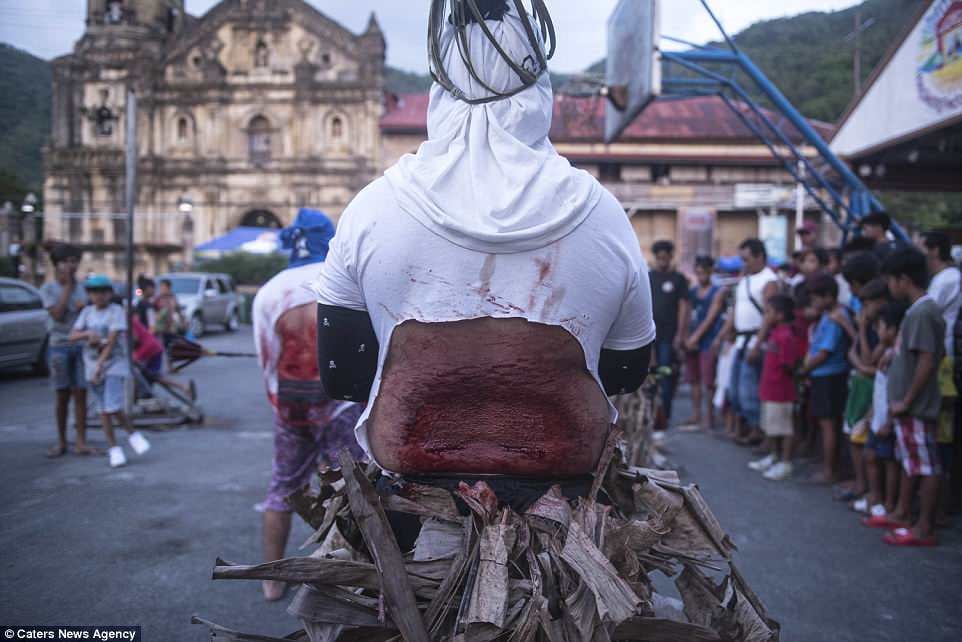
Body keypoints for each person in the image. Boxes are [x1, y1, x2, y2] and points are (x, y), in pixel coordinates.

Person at [313, 0, 654, 522]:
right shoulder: (604, 214)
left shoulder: (373, 208)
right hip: (565, 509)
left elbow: (342, 376)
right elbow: (626, 370)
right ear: (541, 93)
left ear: (439, 96)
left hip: (412, 508)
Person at [253, 208, 365, 601]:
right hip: (341, 406)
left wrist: (283, 409)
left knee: (283, 487)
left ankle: (271, 582)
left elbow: (266, 360)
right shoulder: (340, 281)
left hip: (290, 405)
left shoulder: (269, 292)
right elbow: (362, 350)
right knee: (355, 491)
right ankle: (352, 578)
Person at [878, 247, 945, 546]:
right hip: (909, 405)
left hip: (916, 405)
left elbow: (927, 361)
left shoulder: (923, 311)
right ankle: (905, 515)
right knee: (912, 462)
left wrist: (907, 400)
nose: (891, 287)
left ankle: (923, 527)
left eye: (891, 280)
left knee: (926, 467)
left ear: (903, 279)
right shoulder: (918, 311)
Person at [69, 274, 151, 468]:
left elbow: (112, 340)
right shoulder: (87, 313)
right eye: (94, 292)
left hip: (114, 364)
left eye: (103, 292)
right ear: (89, 294)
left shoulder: (116, 312)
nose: (99, 296)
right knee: (104, 410)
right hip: (91, 364)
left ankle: (130, 436)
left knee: (111, 406)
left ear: (109, 294)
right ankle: (117, 446)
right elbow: (72, 335)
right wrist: (88, 334)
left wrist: (100, 365)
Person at [712, 238, 780, 446]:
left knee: (750, 392)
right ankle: (752, 430)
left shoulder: (769, 281)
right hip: (741, 341)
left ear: (759, 257)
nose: (744, 263)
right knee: (735, 391)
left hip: (755, 342)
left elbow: (770, 315)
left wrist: (758, 344)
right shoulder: (745, 280)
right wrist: (721, 336)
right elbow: (735, 313)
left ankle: (761, 434)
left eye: (746, 259)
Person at [39, 244, 93, 458]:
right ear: (57, 264)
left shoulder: (83, 288)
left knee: (81, 393)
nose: (71, 266)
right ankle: (61, 441)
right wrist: (68, 288)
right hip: (59, 346)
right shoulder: (49, 289)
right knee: (62, 395)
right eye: (66, 261)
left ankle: (81, 441)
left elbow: (88, 317)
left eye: (74, 261)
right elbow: (58, 315)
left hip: (80, 346)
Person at [798, 274, 852, 484]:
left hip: (828, 375)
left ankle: (830, 471)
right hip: (824, 375)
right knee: (826, 425)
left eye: (817, 298)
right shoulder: (829, 314)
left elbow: (823, 353)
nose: (814, 303)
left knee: (828, 425)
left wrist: (803, 369)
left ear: (828, 296)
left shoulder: (835, 317)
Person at [860, 301, 906, 525]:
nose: (877, 332)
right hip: (878, 416)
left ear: (894, 330)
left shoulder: (897, 356)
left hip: (887, 419)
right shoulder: (887, 352)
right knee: (871, 456)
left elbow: (893, 390)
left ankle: (888, 504)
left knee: (888, 461)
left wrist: (887, 419)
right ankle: (875, 498)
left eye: (880, 327)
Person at [748, 294, 801, 480]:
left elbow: (789, 365)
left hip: (781, 391)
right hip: (769, 388)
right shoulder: (774, 333)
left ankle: (785, 462)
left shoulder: (786, 336)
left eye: (769, 312)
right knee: (771, 426)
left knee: (784, 428)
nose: (766, 315)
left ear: (780, 315)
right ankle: (774, 456)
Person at [648, 240, 690, 432]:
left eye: (666, 258)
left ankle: (664, 416)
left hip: (668, 338)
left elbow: (683, 308)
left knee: (666, 376)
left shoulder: (679, 279)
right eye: (659, 258)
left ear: (671, 257)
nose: (663, 261)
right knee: (650, 375)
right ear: (655, 258)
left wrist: (680, 335)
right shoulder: (648, 278)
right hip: (649, 338)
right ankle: (648, 414)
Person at [682, 255, 726, 432]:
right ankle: (696, 415)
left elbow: (711, 317)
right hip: (693, 339)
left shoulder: (718, 292)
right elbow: (686, 314)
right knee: (694, 379)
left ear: (710, 272)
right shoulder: (693, 291)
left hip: (707, 340)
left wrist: (695, 337)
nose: (701, 276)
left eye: (704, 272)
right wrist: (685, 336)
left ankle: (709, 417)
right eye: (698, 272)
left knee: (708, 381)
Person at [132, 315, 195, 400]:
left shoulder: (126, 321)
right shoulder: (129, 319)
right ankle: (183, 387)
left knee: (150, 375)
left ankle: (183, 387)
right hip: (153, 347)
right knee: (150, 375)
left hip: (148, 348)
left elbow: (135, 338)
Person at [153, 278, 183, 347]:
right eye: (161, 287)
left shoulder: (173, 298)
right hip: (161, 329)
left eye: (163, 287)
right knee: (163, 345)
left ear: (169, 288)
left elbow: (178, 310)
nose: (161, 289)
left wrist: (182, 321)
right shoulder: (158, 299)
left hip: (172, 328)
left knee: (172, 346)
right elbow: (154, 312)